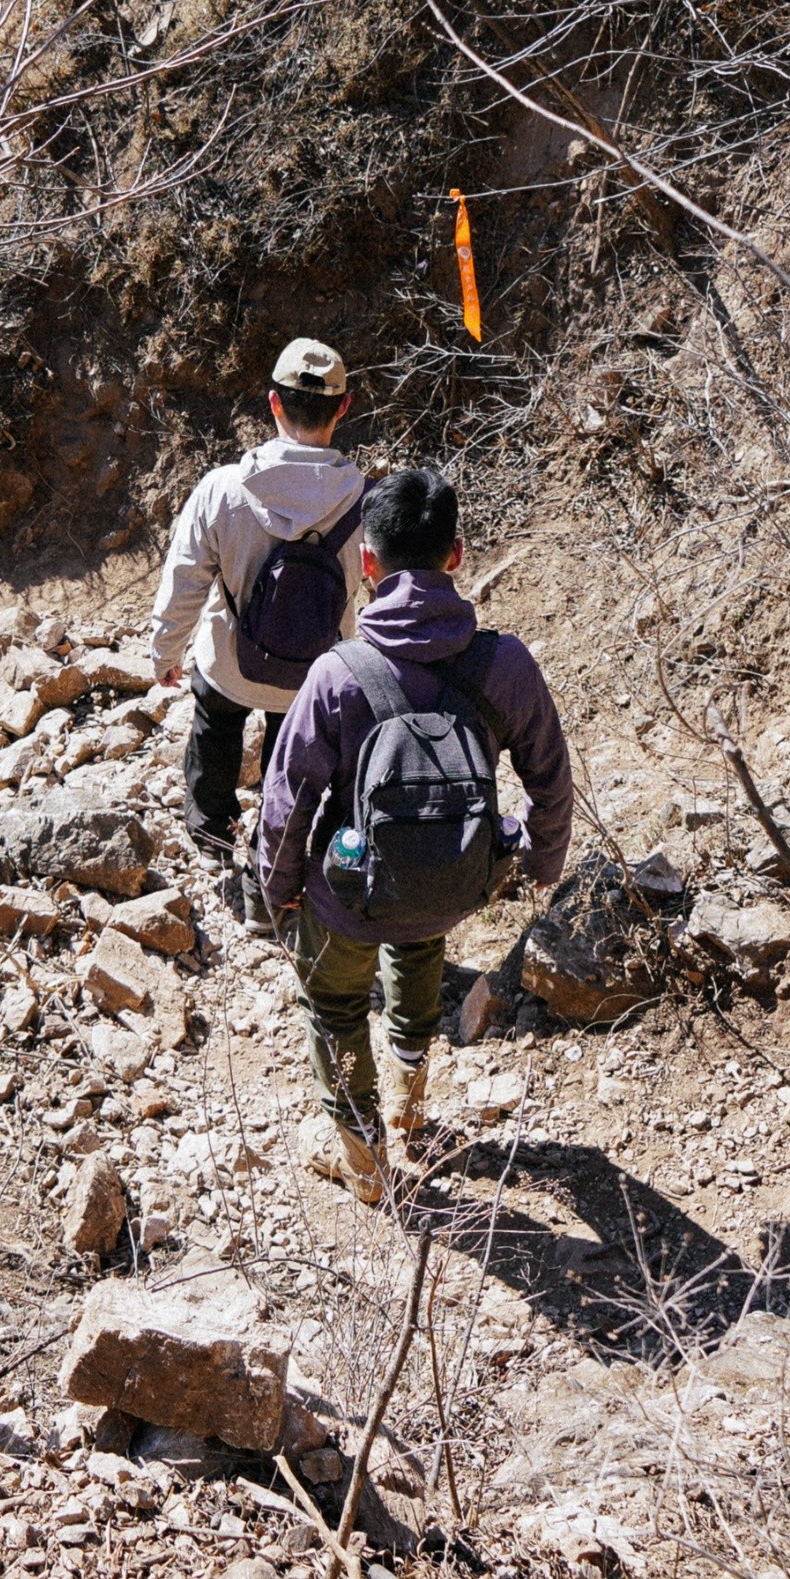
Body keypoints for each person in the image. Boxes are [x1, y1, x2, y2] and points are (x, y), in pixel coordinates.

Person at [256, 466, 574, 1202]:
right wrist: (537, 860)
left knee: (334, 1008)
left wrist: (280, 896)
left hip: (348, 895)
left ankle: (366, 1165)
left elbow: (286, 802)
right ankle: (409, 1096)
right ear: (456, 554)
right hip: (452, 885)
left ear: (366, 563)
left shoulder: (338, 675)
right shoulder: (505, 664)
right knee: (421, 938)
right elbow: (551, 779)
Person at [146, 338, 369, 934]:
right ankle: (265, 877)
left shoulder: (222, 490)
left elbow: (186, 577)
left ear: (273, 403)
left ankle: (210, 827)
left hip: (230, 663)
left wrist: (166, 651)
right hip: (314, 678)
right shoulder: (363, 499)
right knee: (285, 769)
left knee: (215, 726)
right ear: (342, 409)